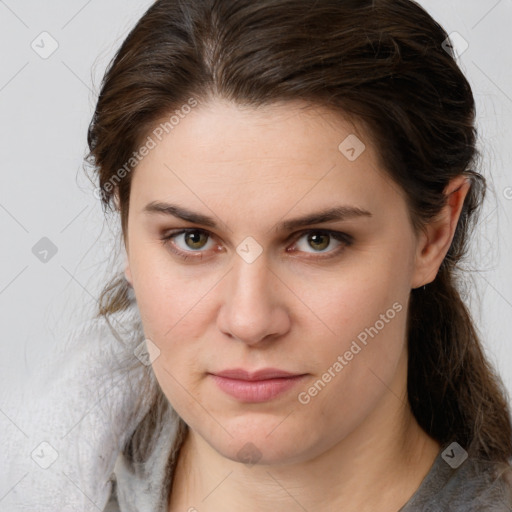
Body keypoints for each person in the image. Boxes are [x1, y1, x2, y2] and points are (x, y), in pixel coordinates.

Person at [84, 0, 512, 510]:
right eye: (192, 238)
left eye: (317, 240)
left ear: (434, 234)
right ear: (126, 231)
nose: (250, 320)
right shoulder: (38, 478)